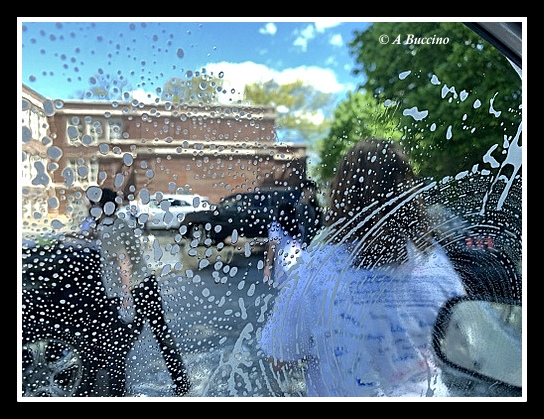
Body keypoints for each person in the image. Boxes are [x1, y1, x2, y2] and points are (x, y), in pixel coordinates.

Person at [259, 139, 467, 397]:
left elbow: (280, 357)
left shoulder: (314, 270)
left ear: (341, 196)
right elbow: (465, 342)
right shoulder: (434, 260)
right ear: (409, 194)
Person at [86, 186, 191, 397]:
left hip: (133, 291)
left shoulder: (109, 229)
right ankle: (181, 382)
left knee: (118, 344)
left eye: (92, 205)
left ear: (99, 206)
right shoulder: (118, 223)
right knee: (160, 333)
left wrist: (126, 297)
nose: (89, 209)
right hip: (146, 284)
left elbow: (123, 261)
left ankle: (117, 393)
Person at [263, 200, 303, 286]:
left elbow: (273, 246)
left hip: (283, 263)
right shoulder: (298, 227)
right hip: (298, 261)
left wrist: (268, 266)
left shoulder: (276, 226)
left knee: (285, 292)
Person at [295, 179, 323, 248]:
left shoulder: (312, 207)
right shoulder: (300, 207)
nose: (313, 192)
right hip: (301, 242)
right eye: (311, 190)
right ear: (304, 190)